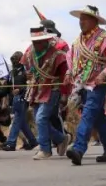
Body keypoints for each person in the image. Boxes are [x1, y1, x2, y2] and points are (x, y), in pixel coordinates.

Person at [64, 5, 106, 166]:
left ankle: (78, 149)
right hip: (82, 83)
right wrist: (69, 72)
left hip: (99, 83)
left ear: (94, 21)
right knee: (98, 118)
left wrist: (104, 74)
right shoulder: (78, 41)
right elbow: (71, 58)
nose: (81, 22)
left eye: (85, 19)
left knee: (88, 113)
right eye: (80, 19)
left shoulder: (105, 39)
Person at [23, 26, 71, 160]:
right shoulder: (30, 54)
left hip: (52, 90)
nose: (36, 44)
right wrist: (28, 74)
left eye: (39, 41)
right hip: (36, 90)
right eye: (34, 42)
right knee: (39, 120)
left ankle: (45, 149)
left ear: (46, 41)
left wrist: (65, 95)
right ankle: (61, 138)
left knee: (41, 118)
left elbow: (65, 77)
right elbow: (27, 69)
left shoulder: (58, 55)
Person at [2, 51, 37, 151]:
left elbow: (31, 84)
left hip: (23, 98)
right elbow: (6, 87)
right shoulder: (11, 73)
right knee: (21, 122)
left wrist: (20, 89)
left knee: (17, 119)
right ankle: (33, 142)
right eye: (12, 59)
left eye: (16, 58)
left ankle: (11, 143)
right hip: (14, 100)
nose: (14, 61)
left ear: (21, 59)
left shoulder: (26, 71)